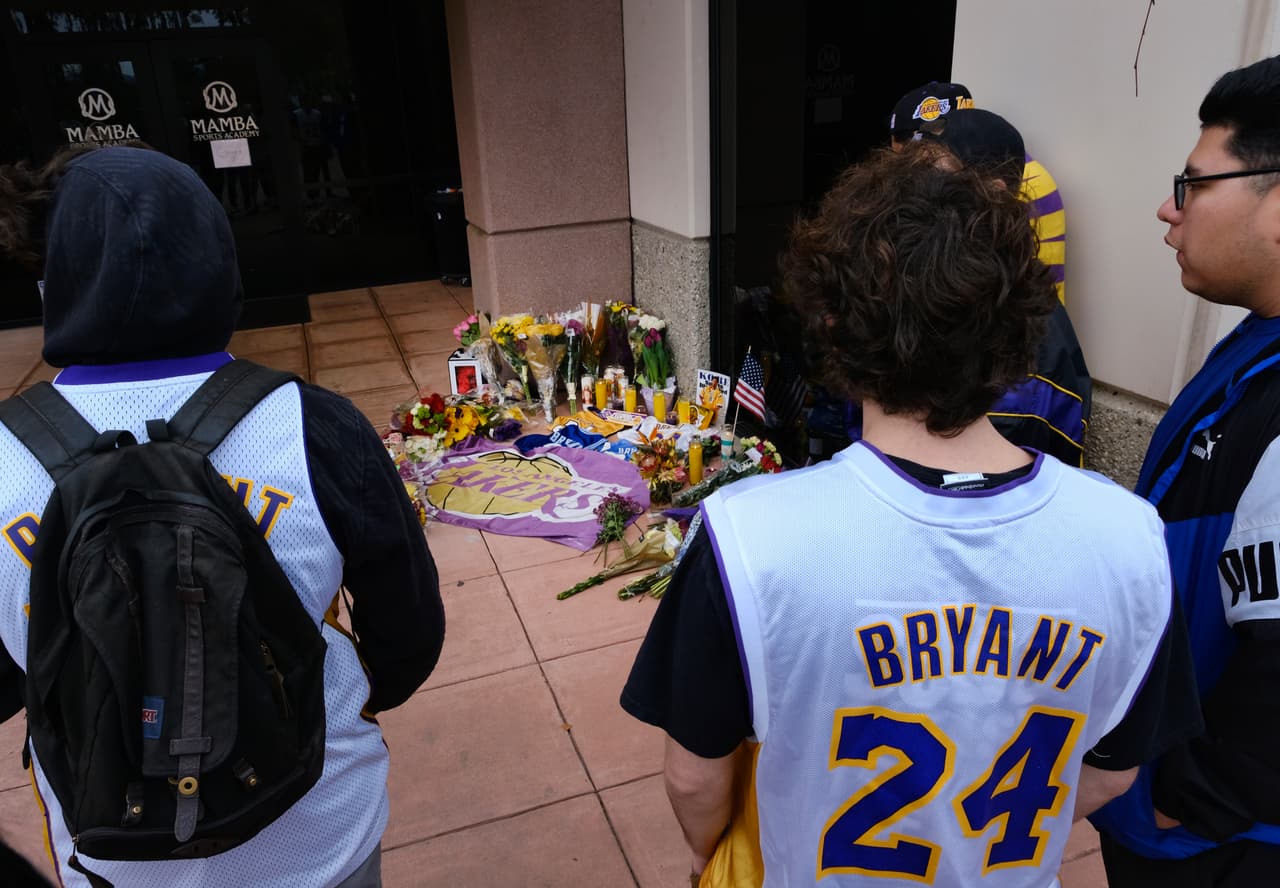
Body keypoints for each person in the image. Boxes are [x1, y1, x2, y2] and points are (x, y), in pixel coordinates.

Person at [621, 145, 1199, 887]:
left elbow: (695, 778)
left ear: (831, 325)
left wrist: (711, 850)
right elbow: (1113, 773)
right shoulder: (1129, 540)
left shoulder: (750, 539)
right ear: (1021, 329)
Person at [0, 145, 444, 886]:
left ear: (59, 277)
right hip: (321, 832)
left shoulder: (6, 456)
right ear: (216, 262)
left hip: (114, 853)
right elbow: (409, 634)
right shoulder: (315, 427)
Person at [1089, 53, 1280, 886]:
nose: (1168, 210)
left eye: (1194, 183)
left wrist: (1184, 800)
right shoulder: (1254, 344)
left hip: (1221, 846)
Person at [888, 82, 1089, 466]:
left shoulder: (1026, 339)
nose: (917, 192)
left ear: (992, 193)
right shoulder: (920, 281)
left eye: (936, 178)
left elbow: (1041, 459)